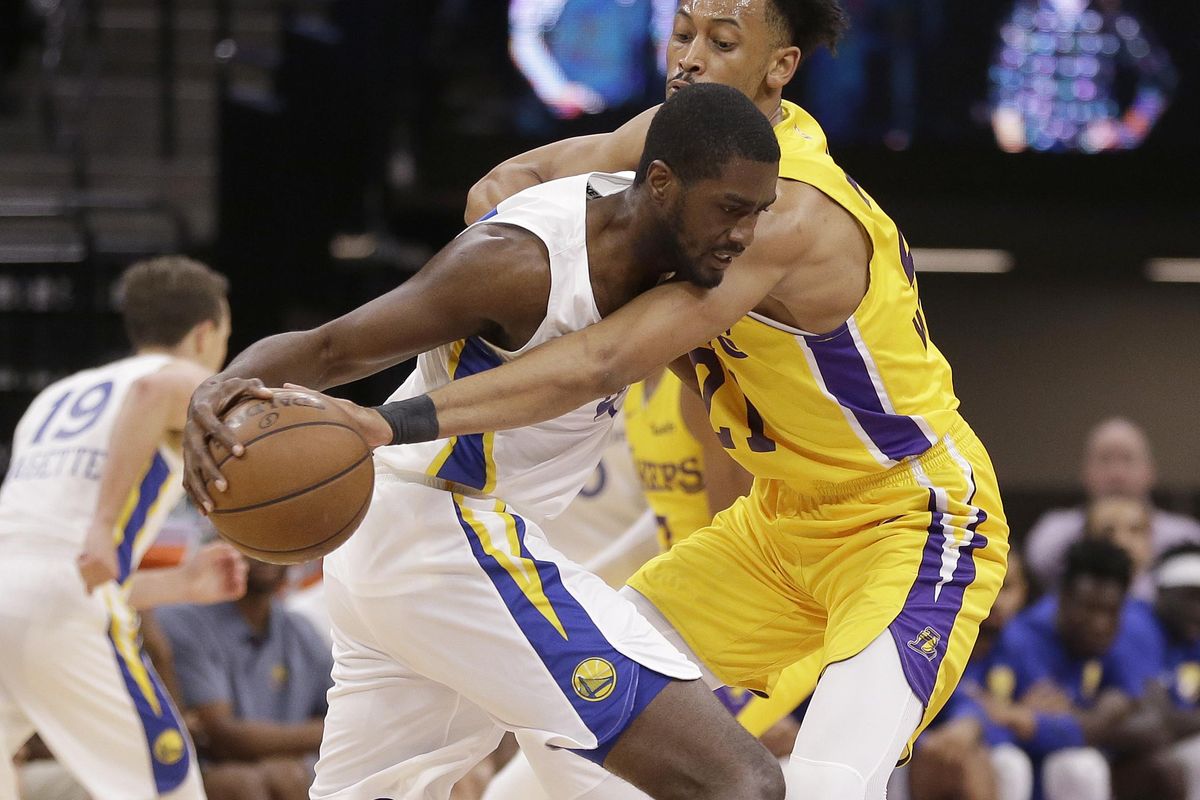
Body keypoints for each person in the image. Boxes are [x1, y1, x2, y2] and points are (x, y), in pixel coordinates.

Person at [193, 1, 1009, 796]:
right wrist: (513, 269)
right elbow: (509, 181)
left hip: (910, 515)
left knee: (821, 784)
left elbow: (602, 359)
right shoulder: (670, 147)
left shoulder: (776, 210)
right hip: (779, 521)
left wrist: (388, 416)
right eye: (681, 34)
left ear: (780, 66)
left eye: (721, 41)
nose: (689, 58)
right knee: (578, 766)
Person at [187, 83, 785, 800]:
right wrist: (217, 389)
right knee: (737, 780)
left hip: (404, 554)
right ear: (660, 185)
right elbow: (331, 348)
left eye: (759, 212)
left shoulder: (666, 244)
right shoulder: (522, 264)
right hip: (445, 532)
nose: (747, 234)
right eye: (730, 209)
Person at [0, 256, 244, 800]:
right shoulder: (184, 379)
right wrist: (103, 526)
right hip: (60, 607)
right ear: (206, 333)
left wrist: (175, 586)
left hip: (12, 594)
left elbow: (46, 556)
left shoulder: (53, 397)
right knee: (171, 787)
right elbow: (153, 393)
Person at [976, 540, 1161, 800]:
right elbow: (1002, 722)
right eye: (1089, 608)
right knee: (1069, 765)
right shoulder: (1021, 637)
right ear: (1062, 598)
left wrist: (1076, 719)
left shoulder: (1115, 641)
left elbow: (1153, 724)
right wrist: (1092, 719)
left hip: (1065, 773)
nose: (1099, 623)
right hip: (1018, 771)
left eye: (1110, 611)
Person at [157, 559, 333, 800]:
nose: (262, 553)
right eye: (252, 536)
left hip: (291, 768)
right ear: (221, 540)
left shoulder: (301, 629)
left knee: (294, 775)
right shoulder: (183, 620)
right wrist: (318, 733)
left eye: (275, 538)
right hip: (200, 768)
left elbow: (347, 719)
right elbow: (223, 738)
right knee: (244, 784)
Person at [906, 552, 1034, 800]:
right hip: (925, 752)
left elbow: (1042, 720)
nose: (995, 598)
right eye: (984, 584)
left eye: (1005, 587)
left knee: (1010, 761)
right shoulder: (934, 632)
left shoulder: (1026, 642)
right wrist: (986, 717)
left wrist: (988, 723)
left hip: (987, 755)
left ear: (1023, 592)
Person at [1025, 418, 1200, 594]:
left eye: (1128, 459)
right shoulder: (1053, 533)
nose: (1116, 474)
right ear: (1085, 472)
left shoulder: (1185, 536)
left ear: (1150, 472)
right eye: (1105, 459)